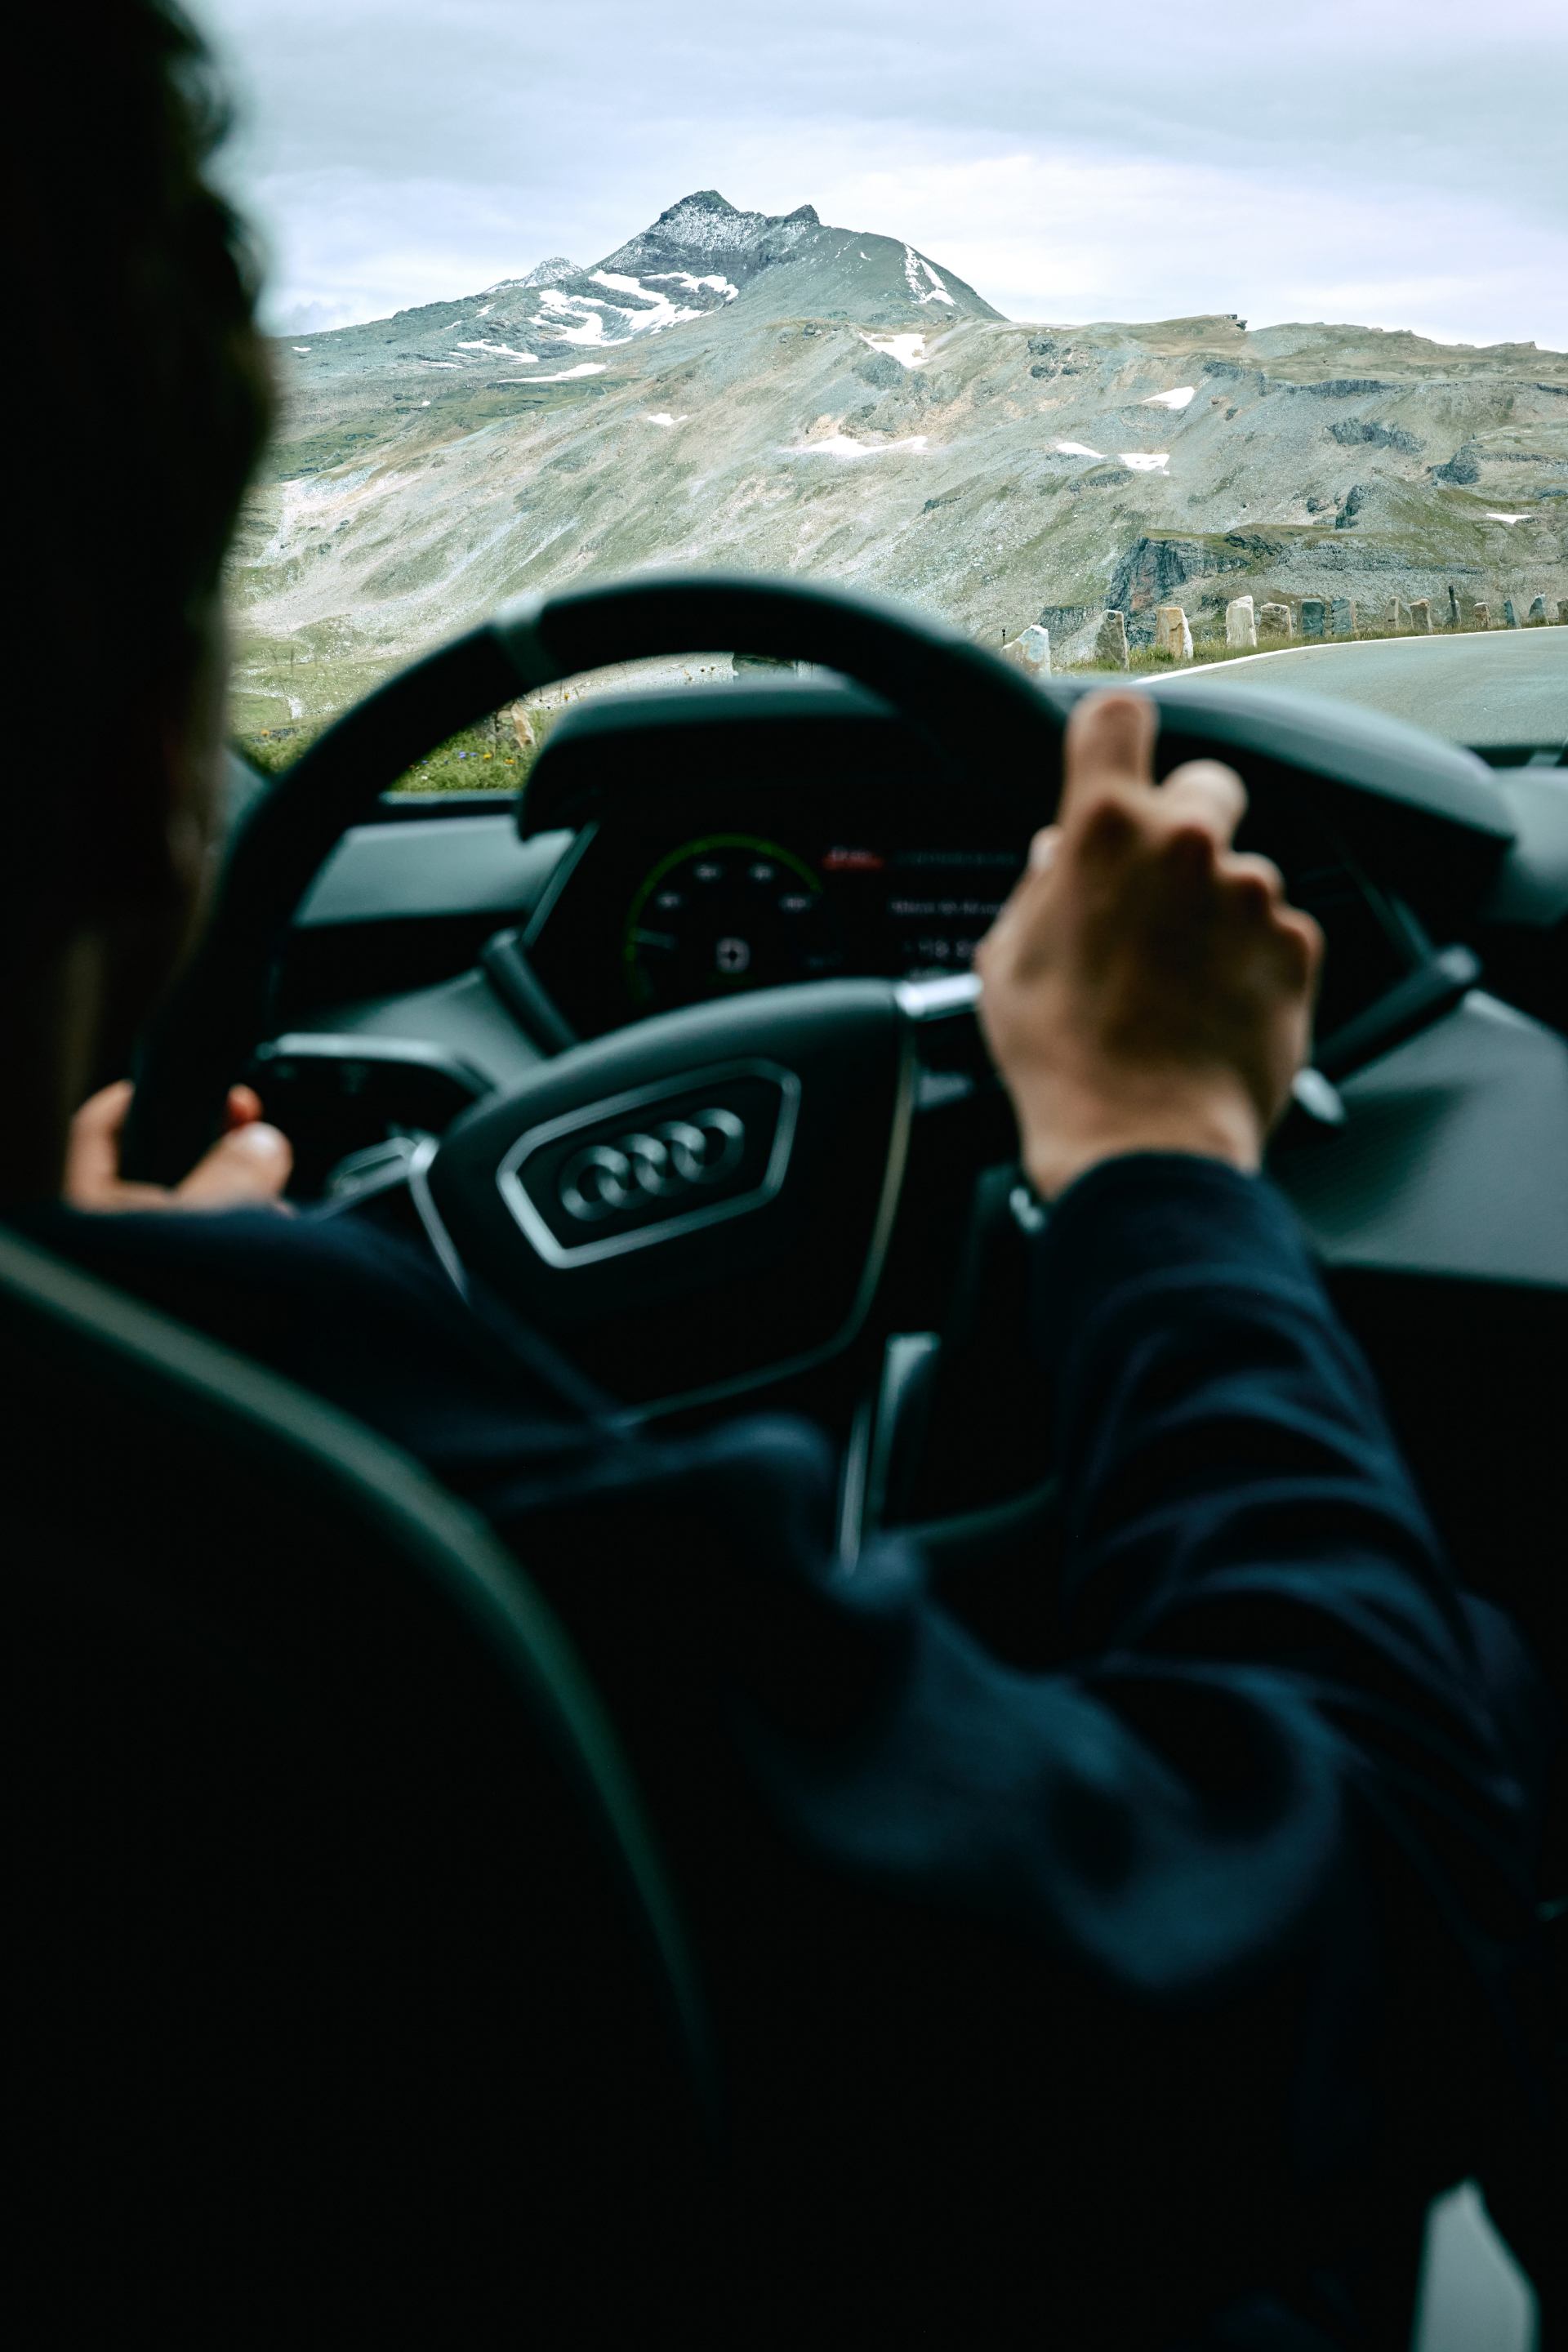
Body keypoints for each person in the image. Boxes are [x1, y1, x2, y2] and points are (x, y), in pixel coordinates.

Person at [2, 6, 1557, 2344]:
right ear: (150, 759)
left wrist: (132, 1311)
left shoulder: (127, 1441)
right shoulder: (314, 1511)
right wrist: (1153, 1156)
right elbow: (1337, 1924)